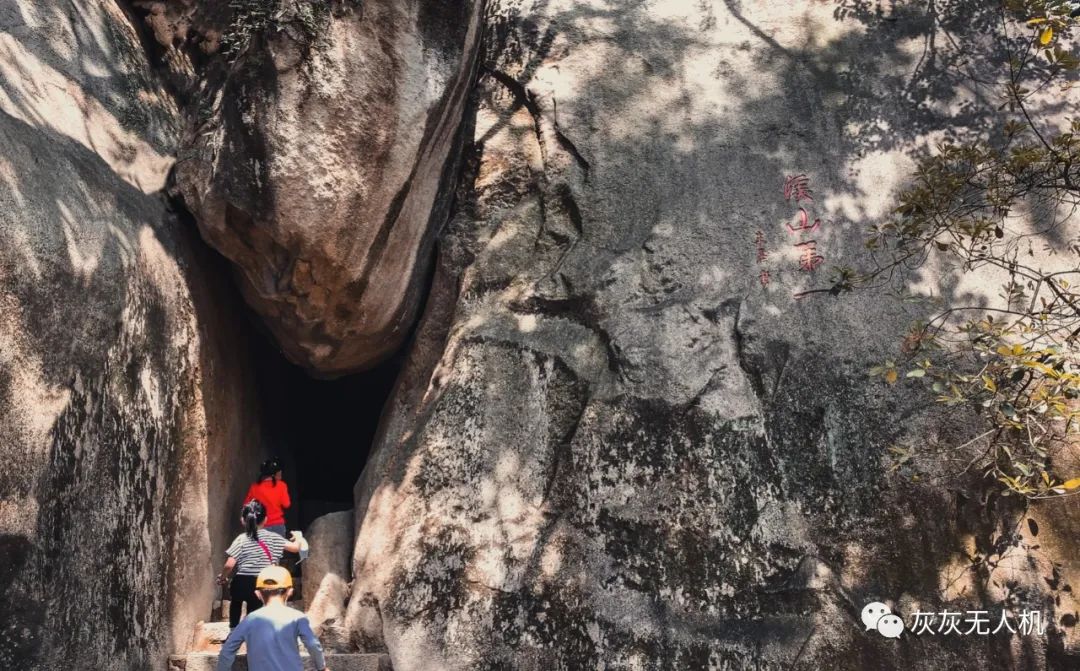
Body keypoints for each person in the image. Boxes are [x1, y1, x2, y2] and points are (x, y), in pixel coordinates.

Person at [216, 565, 330, 671]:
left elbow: (227, 650)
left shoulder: (250, 619)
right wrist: (322, 667)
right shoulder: (297, 617)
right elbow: (312, 644)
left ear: (257, 594)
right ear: (290, 592)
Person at [217, 500, 301, 629]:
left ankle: (234, 628)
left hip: (241, 581)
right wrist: (298, 537)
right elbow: (295, 548)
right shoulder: (273, 537)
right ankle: (252, 630)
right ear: (266, 519)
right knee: (254, 606)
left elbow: (229, 565)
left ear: (243, 520)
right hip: (261, 582)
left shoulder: (241, 538)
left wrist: (223, 577)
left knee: (236, 603)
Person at [245, 458, 291, 538]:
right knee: (276, 550)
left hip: (261, 526)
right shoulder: (281, 485)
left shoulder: (254, 488)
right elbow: (286, 504)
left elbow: (246, 506)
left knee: (262, 550)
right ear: (275, 473)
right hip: (278, 526)